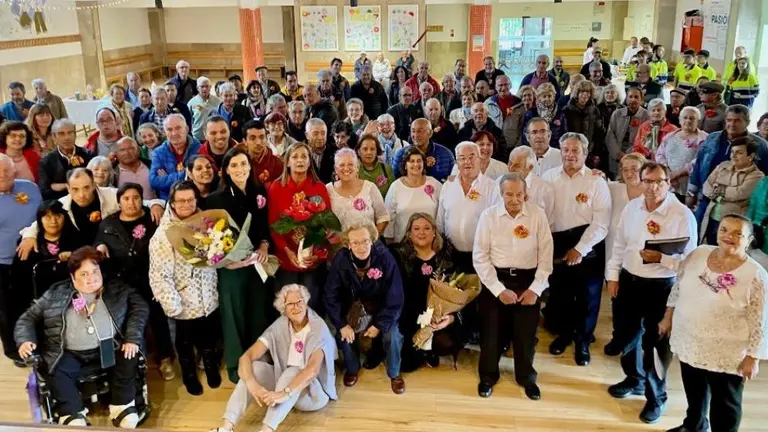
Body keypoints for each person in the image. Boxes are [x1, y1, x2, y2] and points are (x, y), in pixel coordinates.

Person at [15, 246, 149, 427]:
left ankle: (123, 406)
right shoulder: (56, 293)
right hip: (68, 351)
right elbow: (28, 318)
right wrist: (25, 340)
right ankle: (72, 413)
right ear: (73, 276)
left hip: (108, 346)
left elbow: (140, 307)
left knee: (128, 356)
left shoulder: (116, 288)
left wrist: (132, 337)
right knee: (55, 369)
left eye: (95, 271)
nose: (92, 277)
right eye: (84, 274)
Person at [605, 162, 697, 424]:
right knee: (627, 336)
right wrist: (613, 276)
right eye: (648, 181)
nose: (653, 187)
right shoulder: (632, 208)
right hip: (629, 282)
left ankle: (656, 397)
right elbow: (620, 243)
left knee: (656, 345)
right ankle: (633, 379)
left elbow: (690, 262)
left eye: (659, 181)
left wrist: (662, 258)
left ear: (669, 183)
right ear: (640, 182)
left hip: (662, 287)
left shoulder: (681, 215)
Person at [661, 214, 768, 432]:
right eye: (724, 230)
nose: (729, 236)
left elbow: (761, 320)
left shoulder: (755, 274)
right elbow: (679, 285)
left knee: (725, 402)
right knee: (694, 390)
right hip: (689, 339)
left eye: (738, 233)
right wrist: (668, 317)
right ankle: (695, 425)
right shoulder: (699, 253)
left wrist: (753, 356)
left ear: (749, 240)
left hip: (726, 351)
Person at [210, 284, 337, 432]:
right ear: (284, 309)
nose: (296, 307)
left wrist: (284, 394)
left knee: (293, 371)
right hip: (283, 385)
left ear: (306, 301)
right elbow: (246, 357)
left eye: (299, 301)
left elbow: (312, 370)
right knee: (255, 367)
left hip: (312, 393)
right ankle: (226, 428)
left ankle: (266, 430)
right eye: (290, 303)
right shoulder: (281, 324)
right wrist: (253, 385)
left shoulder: (318, 327)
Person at [473, 172, 553, 400]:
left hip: (528, 281)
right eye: (509, 194)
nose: (515, 199)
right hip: (496, 280)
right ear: (501, 194)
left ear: (526, 193)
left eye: (519, 194)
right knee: (491, 333)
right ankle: (488, 376)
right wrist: (499, 290)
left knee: (525, 334)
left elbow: (546, 256)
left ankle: (526, 377)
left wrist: (535, 289)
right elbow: (480, 257)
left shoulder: (537, 215)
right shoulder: (488, 216)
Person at [542, 133, 611, 366]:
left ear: (585, 153)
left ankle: (582, 341)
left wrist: (580, 249)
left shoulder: (596, 181)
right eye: (566, 150)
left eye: (575, 151)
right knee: (560, 294)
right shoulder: (549, 177)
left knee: (587, 296)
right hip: (557, 242)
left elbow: (602, 222)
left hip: (588, 243)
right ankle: (563, 334)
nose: (570, 155)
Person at [204, 148, 273, 383]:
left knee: (258, 311)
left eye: (243, 164)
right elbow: (208, 240)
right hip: (231, 268)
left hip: (256, 264)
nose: (240, 169)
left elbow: (265, 226)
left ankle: (259, 360)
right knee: (233, 315)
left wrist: (264, 246)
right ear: (225, 171)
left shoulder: (259, 192)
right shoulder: (214, 200)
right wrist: (225, 262)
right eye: (234, 165)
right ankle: (235, 365)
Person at [93, 182, 171, 380]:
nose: (131, 202)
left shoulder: (152, 218)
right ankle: (136, 360)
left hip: (151, 277)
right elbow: (98, 241)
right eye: (126, 198)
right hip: (122, 281)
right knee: (129, 320)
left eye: (136, 197)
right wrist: (100, 245)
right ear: (119, 201)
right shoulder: (108, 223)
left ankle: (166, 358)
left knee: (158, 318)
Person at [149, 180, 221, 395]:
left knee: (209, 336)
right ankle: (189, 372)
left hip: (207, 292)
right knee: (185, 341)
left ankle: (210, 365)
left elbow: (217, 255)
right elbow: (159, 274)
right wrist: (172, 304)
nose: (186, 205)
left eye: (190, 200)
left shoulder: (207, 222)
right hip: (183, 297)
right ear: (171, 203)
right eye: (181, 201)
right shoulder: (163, 235)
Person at [324, 220, 405, 394]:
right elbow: (331, 295)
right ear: (348, 244)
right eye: (355, 242)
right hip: (354, 308)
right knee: (345, 333)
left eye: (365, 241)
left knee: (393, 335)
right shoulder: (341, 260)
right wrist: (341, 324)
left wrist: (379, 325)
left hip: (382, 308)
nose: (361, 247)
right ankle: (352, 369)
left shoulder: (385, 258)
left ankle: (394, 373)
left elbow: (395, 297)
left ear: (372, 239)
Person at [393, 213, 463, 371]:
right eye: (416, 228)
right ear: (409, 234)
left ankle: (431, 350)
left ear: (434, 232)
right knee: (407, 366)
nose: (422, 232)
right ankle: (420, 349)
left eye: (427, 228)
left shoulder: (448, 257)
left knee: (445, 343)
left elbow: (460, 291)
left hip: (438, 315)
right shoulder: (399, 256)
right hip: (409, 315)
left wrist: (449, 318)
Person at [268, 142, 332, 311]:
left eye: (304, 156)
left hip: (311, 260)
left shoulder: (319, 188)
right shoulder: (276, 187)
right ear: (287, 162)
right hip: (286, 257)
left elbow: (326, 224)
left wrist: (317, 253)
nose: (300, 160)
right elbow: (273, 225)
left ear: (310, 161)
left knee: (311, 305)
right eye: (295, 157)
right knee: (286, 306)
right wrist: (287, 251)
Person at [687, 105, 768, 222]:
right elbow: (699, 164)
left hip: (739, 207)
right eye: (729, 120)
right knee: (700, 234)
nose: (732, 124)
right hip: (707, 199)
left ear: (747, 122)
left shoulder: (760, 145)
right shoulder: (712, 138)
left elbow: (764, 179)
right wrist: (691, 192)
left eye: (737, 120)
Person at [602, 153, 647, 355]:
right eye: (625, 169)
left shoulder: (650, 192)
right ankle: (618, 338)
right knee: (617, 302)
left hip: (642, 261)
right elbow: (597, 184)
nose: (629, 173)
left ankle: (635, 342)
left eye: (634, 169)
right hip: (614, 256)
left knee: (638, 307)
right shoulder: (613, 189)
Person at [0, 154, 42, 367]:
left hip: (32, 259)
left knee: (32, 303)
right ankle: (14, 350)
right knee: (7, 309)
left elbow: (43, 215)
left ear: (14, 171)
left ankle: (35, 343)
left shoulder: (30, 188)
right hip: (3, 263)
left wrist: (30, 235)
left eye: (6, 170)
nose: (2, 175)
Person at [438, 141, 498, 268]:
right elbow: (440, 221)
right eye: (462, 158)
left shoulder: (492, 187)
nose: (467, 162)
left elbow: (497, 223)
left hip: (483, 257)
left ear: (480, 159)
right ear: (457, 163)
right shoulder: (448, 186)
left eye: (471, 157)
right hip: (451, 256)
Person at [699, 137, 764, 245]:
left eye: (739, 153)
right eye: (732, 152)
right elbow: (706, 186)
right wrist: (722, 193)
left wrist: (718, 189)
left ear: (751, 156)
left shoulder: (757, 176)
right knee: (709, 247)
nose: (733, 155)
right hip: (712, 215)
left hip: (735, 223)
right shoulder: (723, 166)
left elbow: (739, 193)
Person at [384, 146, 442, 243]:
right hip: (403, 245)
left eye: (419, 161)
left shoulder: (434, 184)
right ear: (405, 165)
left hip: (431, 244)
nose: (416, 164)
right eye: (411, 161)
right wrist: (390, 243)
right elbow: (389, 217)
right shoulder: (396, 187)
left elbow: (442, 213)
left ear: (423, 163)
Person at [326, 147, 389, 233]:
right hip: (338, 245)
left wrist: (371, 239)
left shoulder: (370, 187)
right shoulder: (328, 189)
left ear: (357, 167)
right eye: (342, 165)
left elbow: (383, 217)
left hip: (367, 244)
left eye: (350, 164)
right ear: (336, 169)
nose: (346, 168)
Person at [655, 107, 707, 201]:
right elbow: (660, 155)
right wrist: (668, 174)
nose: (688, 120)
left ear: (698, 121)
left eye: (692, 118)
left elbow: (701, 160)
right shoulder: (670, 136)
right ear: (679, 120)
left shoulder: (704, 139)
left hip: (690, 188)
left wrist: (677, 174)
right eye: (685, 117)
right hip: (668, 184)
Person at [150, 114, 202, 200]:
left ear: (187, 129)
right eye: (169, 130)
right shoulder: (158, 152)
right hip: (169, 202)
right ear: (165, 133)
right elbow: (154, 181)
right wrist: (186, 174)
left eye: (178, 128)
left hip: (194, 200)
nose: (174, 133)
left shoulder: (199, 149)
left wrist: (167, 177)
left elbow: (200, 179)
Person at [37, 119, 91, 200]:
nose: (67, 137)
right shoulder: (46, 162)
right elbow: (44, 191)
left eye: (70, 133)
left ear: (75, 134)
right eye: (61, 134)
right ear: (54, 137)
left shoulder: (88, 155)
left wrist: (58, 186)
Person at [605, 87, 649, 178]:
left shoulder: (646, 116)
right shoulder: (617, 113)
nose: (633, 99)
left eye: (636, 97)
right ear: (626, 98)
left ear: (641, 100)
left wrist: (629, 155)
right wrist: (618, 153)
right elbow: (610, 135)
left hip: (636, 157)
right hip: (616, 156)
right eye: (630, 96)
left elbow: (645, 139)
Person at [505, 145, 555, 223]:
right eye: (510, 163)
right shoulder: (498, 184)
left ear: (530, 168)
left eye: (517, 166)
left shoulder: (544, 189)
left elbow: (547, 221)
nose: (510, 168)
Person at [563, 80, 604, 167]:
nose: (585, 94)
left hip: (589, 152)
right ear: (577, 93)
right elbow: (564, 133)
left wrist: (596, 152)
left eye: (588, 92)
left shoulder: (595, 110)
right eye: (582, 91)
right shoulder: (567, 110)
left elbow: (599, 133)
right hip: (571, 151)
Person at [522, 83, 565, 149]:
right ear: (539, 97)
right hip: (535, 149)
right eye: (544, 96)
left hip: (555, 149)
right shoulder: (531, 113)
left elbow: (563, 134)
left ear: (554, 96)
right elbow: (526, 135)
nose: (547, 99)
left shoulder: (560, 113)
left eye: (549, 96)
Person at [242, 119, 282, 187]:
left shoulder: (277, 164)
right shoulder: (239, 163)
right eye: (253, 138)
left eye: (262, 137)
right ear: (244, 141)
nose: (258, 142)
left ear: (266, 139)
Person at [356, 133, 395, 198]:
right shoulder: (354, 171)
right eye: (365, 149)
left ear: (377, 151)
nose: (369, 152)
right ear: (358, 152)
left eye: (372, 149)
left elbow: (393, 195)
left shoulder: (386, 169)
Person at [188, 76, 222, 142]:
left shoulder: (218, 101)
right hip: (197, 137)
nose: (204, 89)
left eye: (207, 86)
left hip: (214, 136)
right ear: (197, 88)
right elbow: (189, 121)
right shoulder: (191, 103)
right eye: (202, 86)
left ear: (210, 87)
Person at [305, 118, 337, 184]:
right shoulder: (300, 152)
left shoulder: (336, 152)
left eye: (323, 133)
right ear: (307, 135)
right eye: (315, 134)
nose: (320, 137)